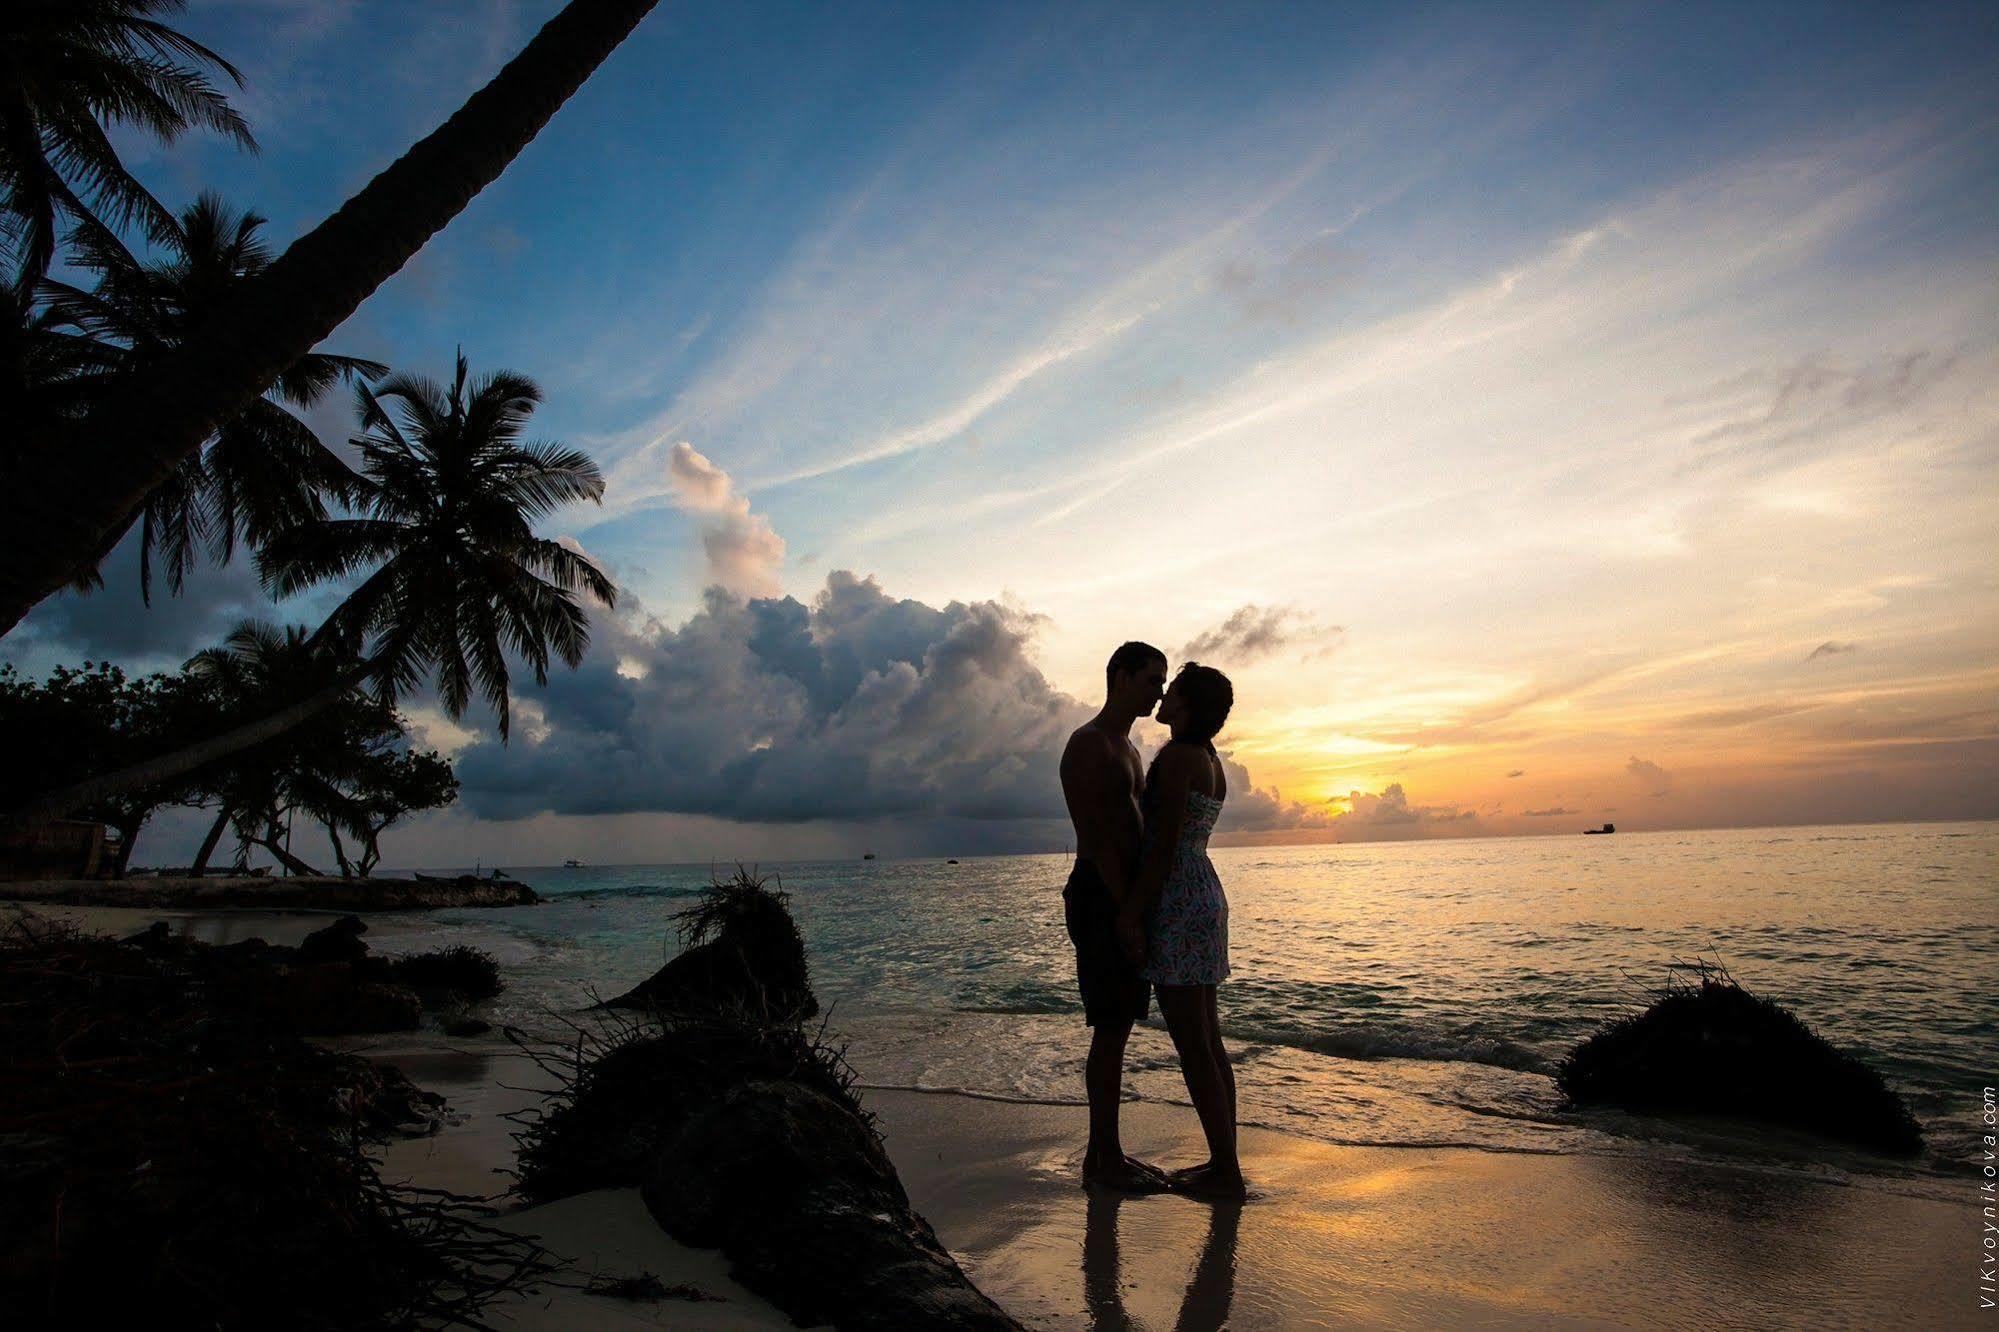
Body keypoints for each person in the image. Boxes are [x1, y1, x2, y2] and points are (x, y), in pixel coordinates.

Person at [1119, 662, 1242, 1200]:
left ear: (1188, 707)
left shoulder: (1178, 759)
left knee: (1194, 1044)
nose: (1163, 698)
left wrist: (1131, 912)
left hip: (1178, 899)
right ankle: (1224, 1161)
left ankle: (1225, 1171)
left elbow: (1162, 847)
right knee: (1208, 1040)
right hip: (1205, 893)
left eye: (1174, 693)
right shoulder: (1212, 761)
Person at [1060, 640, 1170, 1191]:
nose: (1160, 691)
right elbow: (1100, 838)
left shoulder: (1128, 747)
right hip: (1103, 894)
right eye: (1152, 680)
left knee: (1120, 1027)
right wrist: (1127, 912)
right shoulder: (1089, 744)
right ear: (1120, 676)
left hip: (1125, 897)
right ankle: (1102, 1158)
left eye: (1163, 682)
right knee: (1109, 1027)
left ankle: (1108, 1153)